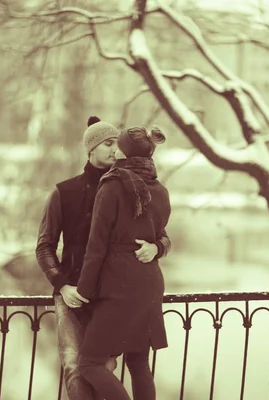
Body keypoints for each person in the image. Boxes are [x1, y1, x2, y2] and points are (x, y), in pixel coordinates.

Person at [36, 117, 171, 400]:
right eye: (108, 144)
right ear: (91, 148)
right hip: (75, 292)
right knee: (77, 367)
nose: (114, 150)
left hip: (112, 291)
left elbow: (160, 232)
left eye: (117, 144)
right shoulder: (64, 192)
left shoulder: (131, 185)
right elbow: (45, 246)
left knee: (106, 366)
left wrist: (158, 247)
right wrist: (62, 284)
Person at [76, 125, 171, 400]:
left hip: (120, 286)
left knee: (89, 363)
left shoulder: (112, 186)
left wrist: (84, 290)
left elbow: (97, 246)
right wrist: (157, 247)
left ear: (125, 151)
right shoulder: (160, 190)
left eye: (118, 144)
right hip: (150, 284)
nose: (114, 148)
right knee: (139, 363)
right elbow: (161, 234)